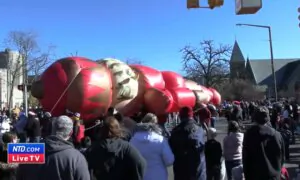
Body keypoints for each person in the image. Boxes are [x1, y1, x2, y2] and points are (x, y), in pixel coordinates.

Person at [17, 115, 90, 180]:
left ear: (52, 129)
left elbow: (19, 175)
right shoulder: (78, 158)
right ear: (71, 133)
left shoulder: (28, 152)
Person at [243, 106, 285, 180]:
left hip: (255, 176)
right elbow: (282, 157)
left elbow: (246, 159)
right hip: (274, 176)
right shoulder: (277, 135)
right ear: (268, 117)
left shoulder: (249, 135)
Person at [130, 113, 174, 180]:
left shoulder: (133, 140)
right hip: (158, 175)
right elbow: (169, 160)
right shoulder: (160, 140)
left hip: (140, 175)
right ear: (155, 124)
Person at [169, 106, 206, 180]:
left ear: (180, 116)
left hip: (181, 171)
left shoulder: (175, 131)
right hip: (198, 171)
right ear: (191, 116)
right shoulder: (199, 130)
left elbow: (171, 150)